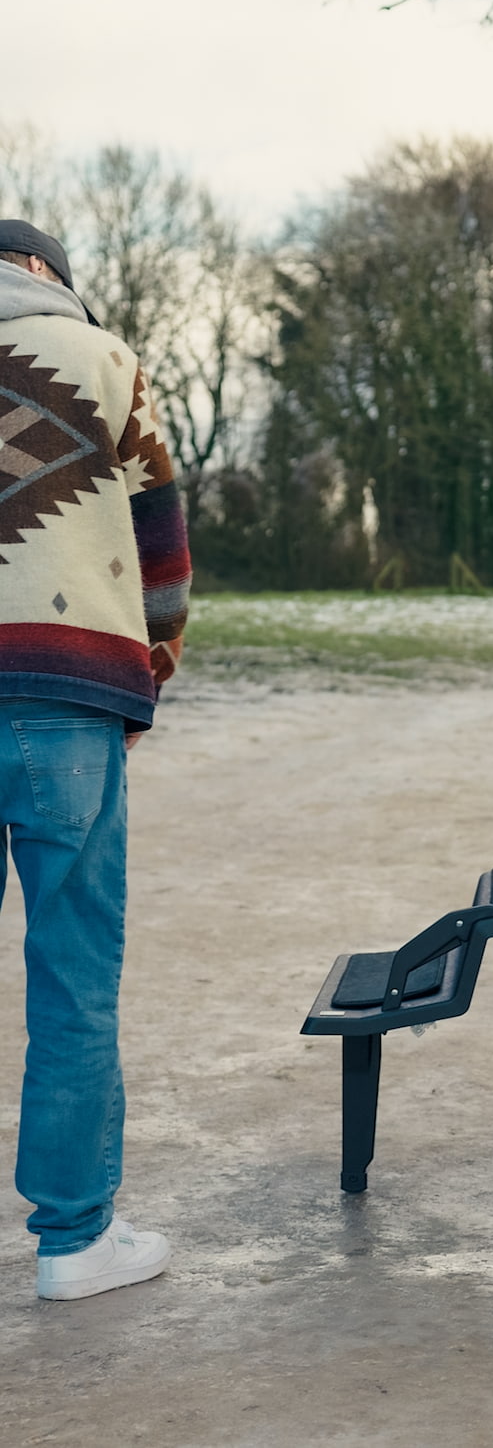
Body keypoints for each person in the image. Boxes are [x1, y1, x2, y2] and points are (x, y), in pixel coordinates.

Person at [0, 220, 191, 1299]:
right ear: (44, 276)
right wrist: (147, 671)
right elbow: (160, 541)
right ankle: (72, 1242)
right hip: (69, 698)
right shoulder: (107, 361)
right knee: (73, 975)